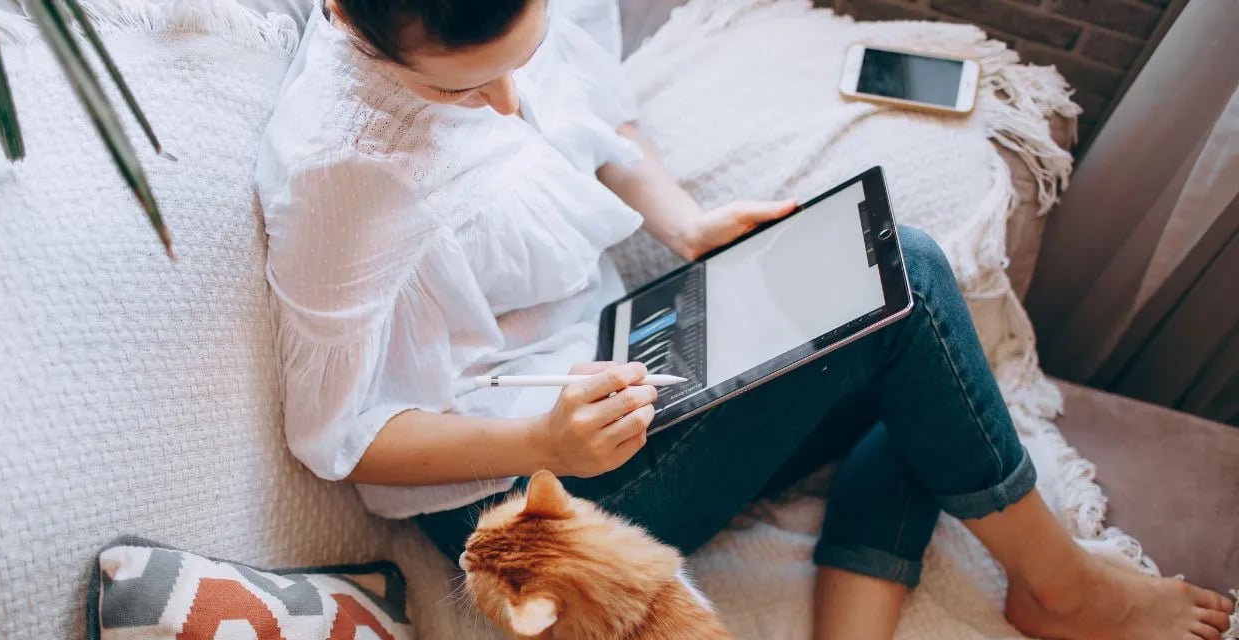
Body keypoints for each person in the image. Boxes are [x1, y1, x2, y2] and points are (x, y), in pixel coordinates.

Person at [254, 1, 1233, 638]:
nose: (510, 98)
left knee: (906, 334)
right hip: (520, 500)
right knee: (912, 289)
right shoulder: (343, 175)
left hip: (615, 365)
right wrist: (539, 439)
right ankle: (1061, 587)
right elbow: (337, 437)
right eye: (464, 88)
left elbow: (592, 115)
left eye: (526, 48)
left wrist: (683, 222)